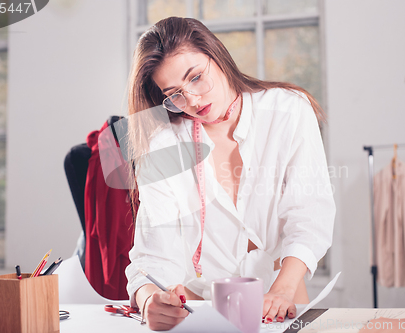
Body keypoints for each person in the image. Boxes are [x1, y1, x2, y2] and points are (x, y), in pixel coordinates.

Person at [125, 16, 335, 331]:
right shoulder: (163, 146)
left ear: (218, 55)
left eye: (196, 77)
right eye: (174, 95)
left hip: (282, 291)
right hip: (201, 305)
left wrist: (282, 289)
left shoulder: (289, 111)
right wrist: (148, 301)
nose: (192, 101)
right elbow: (152, 254)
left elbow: (309, 215)